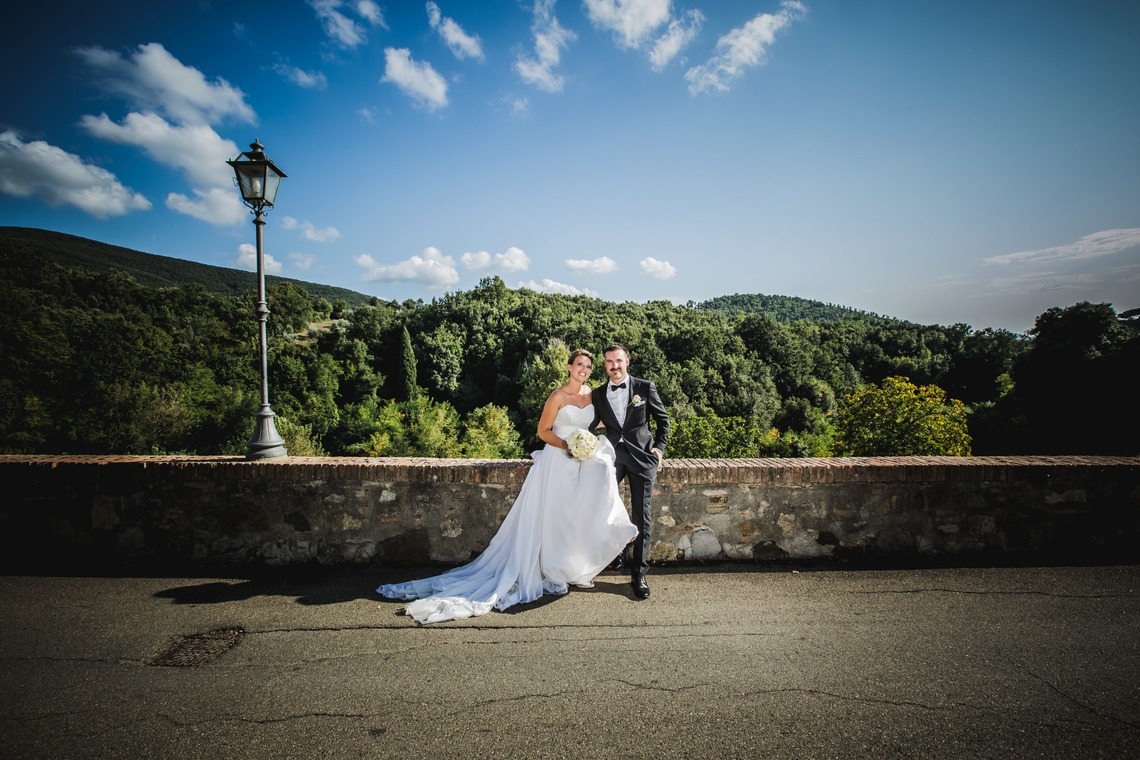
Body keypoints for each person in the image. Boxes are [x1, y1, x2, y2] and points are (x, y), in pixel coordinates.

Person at [377, 349, 637, 624]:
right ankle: (553, 568)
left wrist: (591, 442)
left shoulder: (592, 395)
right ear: (569, 366)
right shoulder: (557, 396)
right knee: (555, 518)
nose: (584, 369)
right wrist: (569, 445)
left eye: (588, 366)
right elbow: (543, 431)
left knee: (575, 515)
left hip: (580, 464)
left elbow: (600, 422)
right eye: (579, 364)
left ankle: (579, 563)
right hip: (558, 462)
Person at [591, 343, 670, 600]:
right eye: (609, 362)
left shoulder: (645, 387)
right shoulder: (598, 394)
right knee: (605, 508)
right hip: (613, 457)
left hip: (642, 458)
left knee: (641, 516)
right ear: (605, 365)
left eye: (618, 361)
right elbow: (591, 424)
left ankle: (639, 574)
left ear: (627, 361)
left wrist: (659, 449)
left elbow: (663, 420)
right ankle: (617, 552)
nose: (614, 366)